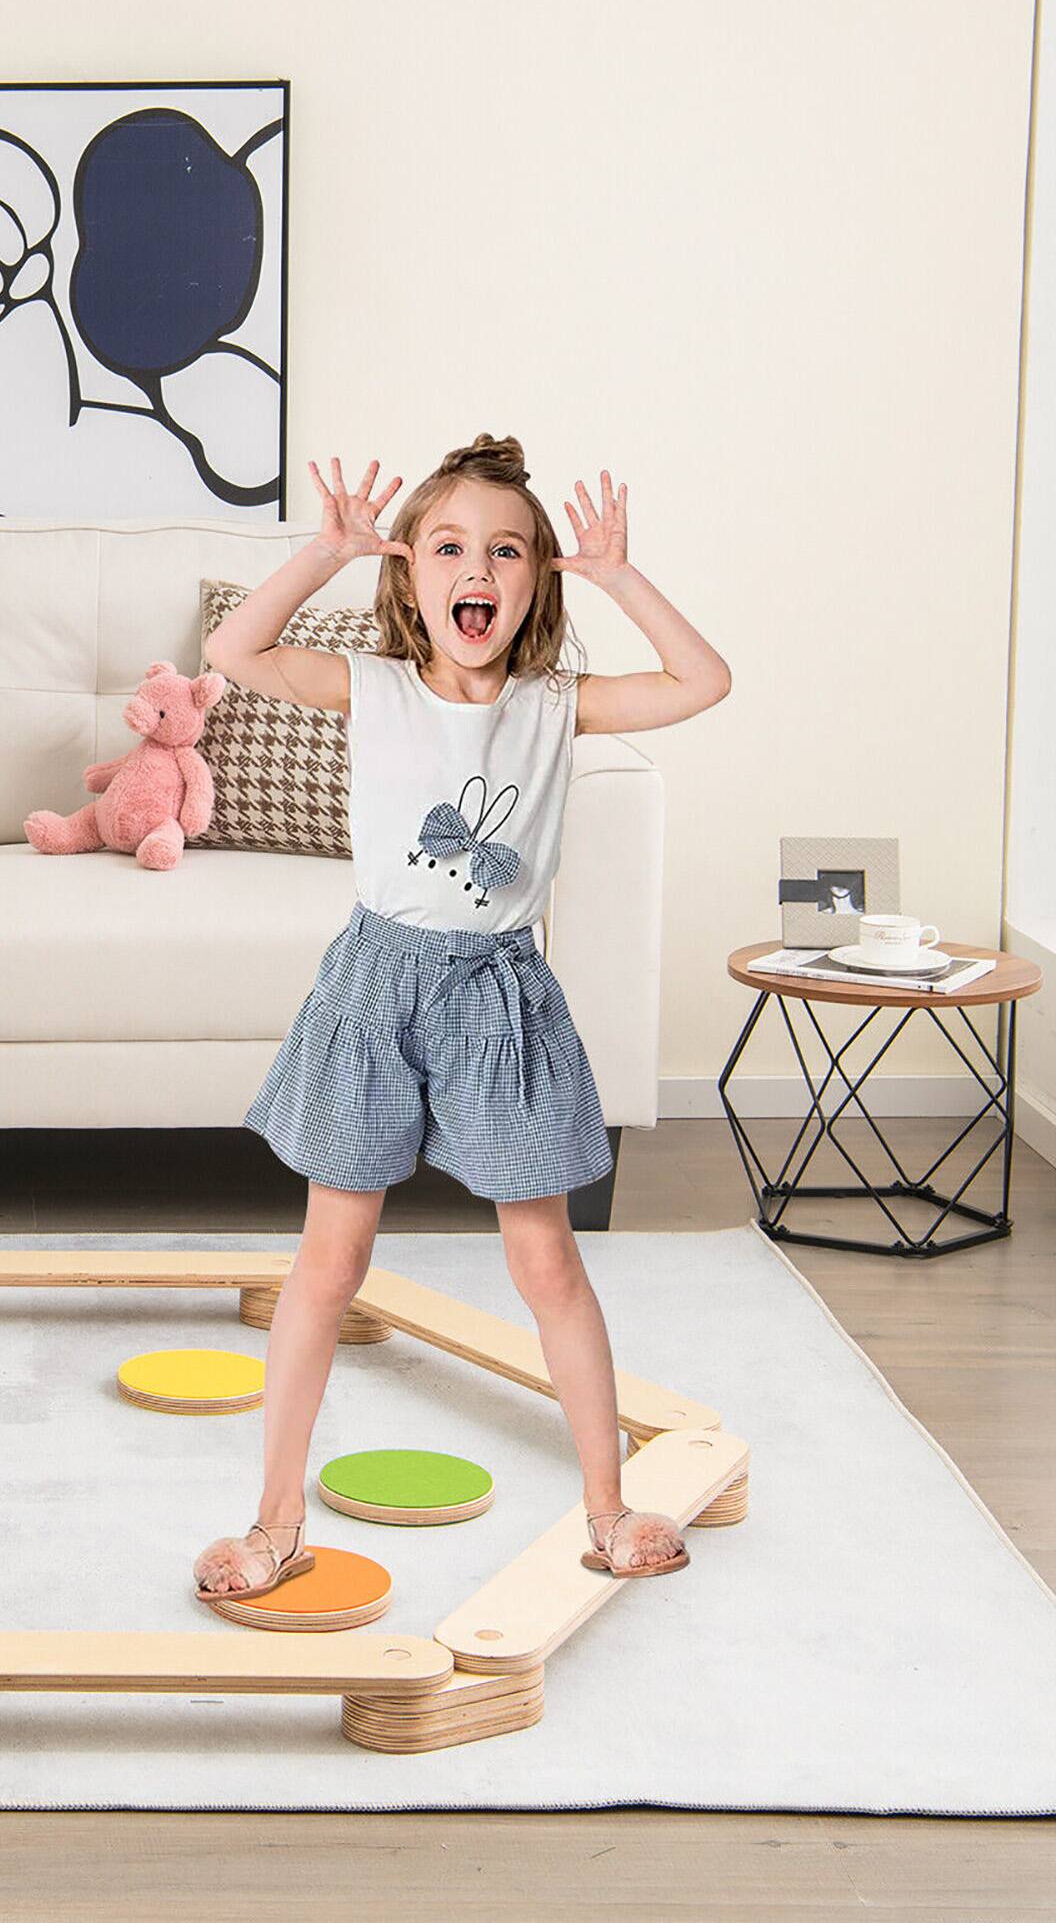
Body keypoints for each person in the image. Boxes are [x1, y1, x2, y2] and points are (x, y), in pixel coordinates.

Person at [194, 434, 730, 1596]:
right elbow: (232, 649)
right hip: (375, 985)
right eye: (447, 546)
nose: (474, 567)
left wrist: (620, 576)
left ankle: (605, 1503)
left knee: (545, 1261)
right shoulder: (370, 683)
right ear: (407, 577)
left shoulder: (553, 704)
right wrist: (321, 552)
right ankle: (273, 1519)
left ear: (533, 577)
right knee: (326, 1265)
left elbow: (702, 682)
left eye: (505, 549)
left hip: (498, 991)